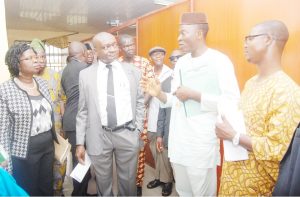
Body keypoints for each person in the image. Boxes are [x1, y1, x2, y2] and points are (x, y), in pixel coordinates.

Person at [140, 12, 240, 196]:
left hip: (200, 144)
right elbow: (176, 100)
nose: (178, 38)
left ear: (199, 33)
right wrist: (160, 94)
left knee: (201, 192)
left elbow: (231, 103)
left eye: (183, 33)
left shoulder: (220, 61)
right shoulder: (182, 63)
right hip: (178, 144)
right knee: (183, 190)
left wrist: (196, 95)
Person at [215, 20, 300, 196]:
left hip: (256, 189)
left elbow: (277, 150)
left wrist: (234, 136)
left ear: (268, 39)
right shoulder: (251, 83)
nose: (245, 44)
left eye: (250, 38)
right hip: (232, 180)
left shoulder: (287, 91)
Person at [76, 32, 144, 196]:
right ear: (95, 50)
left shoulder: (132, 71)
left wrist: (138, 130)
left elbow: (140, 102)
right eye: (105, 47)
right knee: (103, 182)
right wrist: (80, 142)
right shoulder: (85, 75)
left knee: (128, 183)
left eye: (113, 45)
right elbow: (82, 110)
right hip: (99, 135)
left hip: (127, 133)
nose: (111, 50)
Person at [0, 43, 57, 195]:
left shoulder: (42, 83)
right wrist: (3, 160)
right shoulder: (5, 90)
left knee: (46, 187)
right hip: (24, 150)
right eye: (30, 58)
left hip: (47, 145)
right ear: (17, 64)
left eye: (36, 57)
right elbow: (2, 130)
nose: (36, 60)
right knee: (28, 189)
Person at [118, 33, 155, 196]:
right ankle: (124, 181)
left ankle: (138, 182)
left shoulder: (144, 62)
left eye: (132, 44)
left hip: (141, 115)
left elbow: (152, 85)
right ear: (121, 48)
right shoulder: (115, 64)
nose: (130, 48)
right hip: (121, 116)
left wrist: (141, 103)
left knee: (139, 149)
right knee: (122, 150)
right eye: (126, 46)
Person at [30, 38, 66, 196]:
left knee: (59, 161)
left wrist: (62, 127)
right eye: (36, 57)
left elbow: (62, 100)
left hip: (56, 128)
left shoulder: (55, 75)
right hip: (36, 133)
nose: (40, 60)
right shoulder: (24, 77)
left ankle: (58, 190)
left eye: (43, 56)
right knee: (40, 166)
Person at [61, 41, 89, 196]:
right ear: (83, 53)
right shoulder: (85, 69)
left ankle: (81, 192)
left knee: (79, 160)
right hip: (81, 121)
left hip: (70, 120)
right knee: (82, 161)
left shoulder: (65, 70)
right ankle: (78, 194)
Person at [145, 46, 173, 196]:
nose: (157, 56)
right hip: (150, 118)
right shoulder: (148, 73)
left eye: (160, 53)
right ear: (151, 57)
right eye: (154, 54)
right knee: (155, 150)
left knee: (164, 152)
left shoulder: (171, 73)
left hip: (164, 119)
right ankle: (158, 178)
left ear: (164, 55)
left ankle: (167, 181)